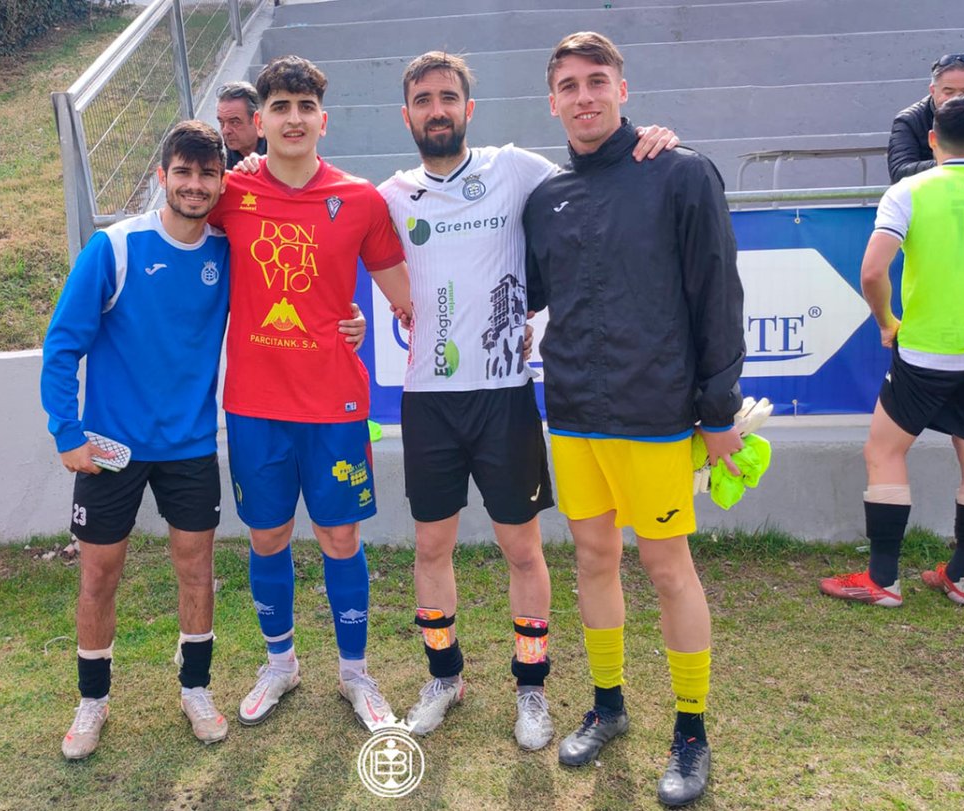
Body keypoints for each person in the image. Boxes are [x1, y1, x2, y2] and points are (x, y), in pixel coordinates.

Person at [376, 50, 677, 750]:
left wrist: (654, 142)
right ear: (408, 114)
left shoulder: (514, 168)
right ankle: (443, 675)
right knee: (431, 543)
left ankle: (531, 685)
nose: (437, 108)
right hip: (427, 399)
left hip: (505, 396)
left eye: (449, 96)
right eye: (424, 99)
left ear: (468, 108)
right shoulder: (389, 195)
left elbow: (598, 170)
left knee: (521, 546)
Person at [40, 121, 368, 760]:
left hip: (190, 446)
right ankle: (92, 702)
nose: (195, 185)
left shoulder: (227, 248)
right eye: (182, 173)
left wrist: (347, 322)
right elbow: (63, 343)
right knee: (99, 574)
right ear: (161, 176)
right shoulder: (116, 248)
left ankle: (196, 689)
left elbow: (290, 292)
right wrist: (66, 430)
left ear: (222, 181)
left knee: (197, 572)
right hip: (111, 449)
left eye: (207, 174)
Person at [523, 32, 745, 806]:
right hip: (574, 411)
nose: (584, 96)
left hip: (655, 411)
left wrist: (717, 412)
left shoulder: (679, 172)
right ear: (551, 102)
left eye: (597, 81)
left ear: (624, 88)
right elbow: (526, 294)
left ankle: (691, 729)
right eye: (569, 86)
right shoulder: (546, 196)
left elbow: (717, 293)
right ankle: (609, 703)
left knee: (666, 565)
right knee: (591, 557)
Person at [207, 55, 413, 733]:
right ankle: (280, 662)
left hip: (334, 404)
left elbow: (406, 299)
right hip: (255, 403)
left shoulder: (360, 199)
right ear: (259, 121)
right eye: (279, 107)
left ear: (322, 120)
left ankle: (354, 672)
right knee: (267, 536)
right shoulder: (229, 195)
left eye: (304, 108)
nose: (292, 119)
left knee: (339, 535)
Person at [820, 94, 964, 609]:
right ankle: (959, 578)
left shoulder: (910, 190)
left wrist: (886, 322)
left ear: (933, 139)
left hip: (924, 354)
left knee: (884, 453)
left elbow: (873, 272)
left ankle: (883, 579)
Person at [887, 53, 964, 183]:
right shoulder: (910, 120)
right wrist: (958, 163)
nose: (957, 98)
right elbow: (899, 172)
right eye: (949, 92)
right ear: (933, 90)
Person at [217, 81, 266, 170]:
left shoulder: (279, 152)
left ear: (257, 121)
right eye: (221, 122)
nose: (225, 131)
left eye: (234, 122)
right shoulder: (219, 160)